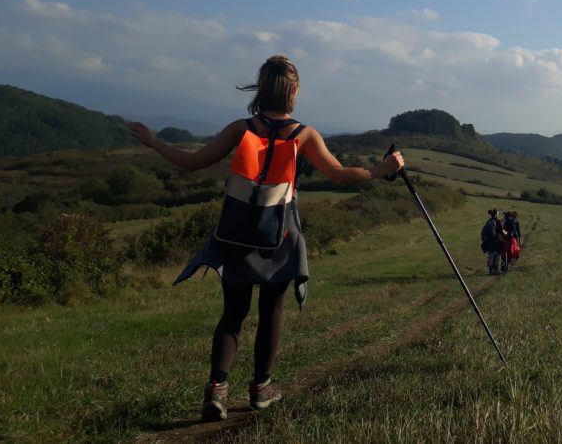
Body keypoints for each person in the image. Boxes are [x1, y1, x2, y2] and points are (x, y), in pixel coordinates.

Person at [126, 55, 404, 422]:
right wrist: (383, 169)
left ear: (262, 89)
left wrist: (153, 142)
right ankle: (261, 389)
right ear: (293, 91)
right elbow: (338, 174)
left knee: (233, 313)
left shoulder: (240, 128)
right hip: (280, 235)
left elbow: (191, 162)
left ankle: (217, 391)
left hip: (235, 232)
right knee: (272, 310)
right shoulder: (303, 134)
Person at [481, 209, 505, 275]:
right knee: (496, 254)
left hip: (490, 241)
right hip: (495, 241)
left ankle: (491, 270)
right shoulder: (496, 222)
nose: (498, 215)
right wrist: (506, 234)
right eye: (498, 214)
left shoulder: (488, 222)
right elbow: (501, 231)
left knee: (492, 255)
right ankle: (495, 269)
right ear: (496, 214)